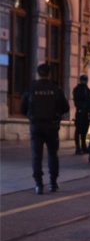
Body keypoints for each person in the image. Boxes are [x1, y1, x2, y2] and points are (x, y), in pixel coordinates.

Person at [20, 63, 70, 194]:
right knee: (53, 154)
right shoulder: (55, 89)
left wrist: (32, 116)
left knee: (36, 155)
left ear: (38, 74)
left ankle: (39, 185)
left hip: (36, 126)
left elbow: (22, 109)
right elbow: (66, 108)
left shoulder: (31, 88)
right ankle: (53, 184)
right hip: (51, 126)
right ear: (49, 74)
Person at [73, 74, 90, 155]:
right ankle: (78, 148)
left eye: (86, 80)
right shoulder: (77, 89)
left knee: (84, 131)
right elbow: (76, 100)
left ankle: (83, 146)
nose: (85, 81)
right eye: (84, 80)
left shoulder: (87, 89)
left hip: (86, 112)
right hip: (80, 111)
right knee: (78, 131)